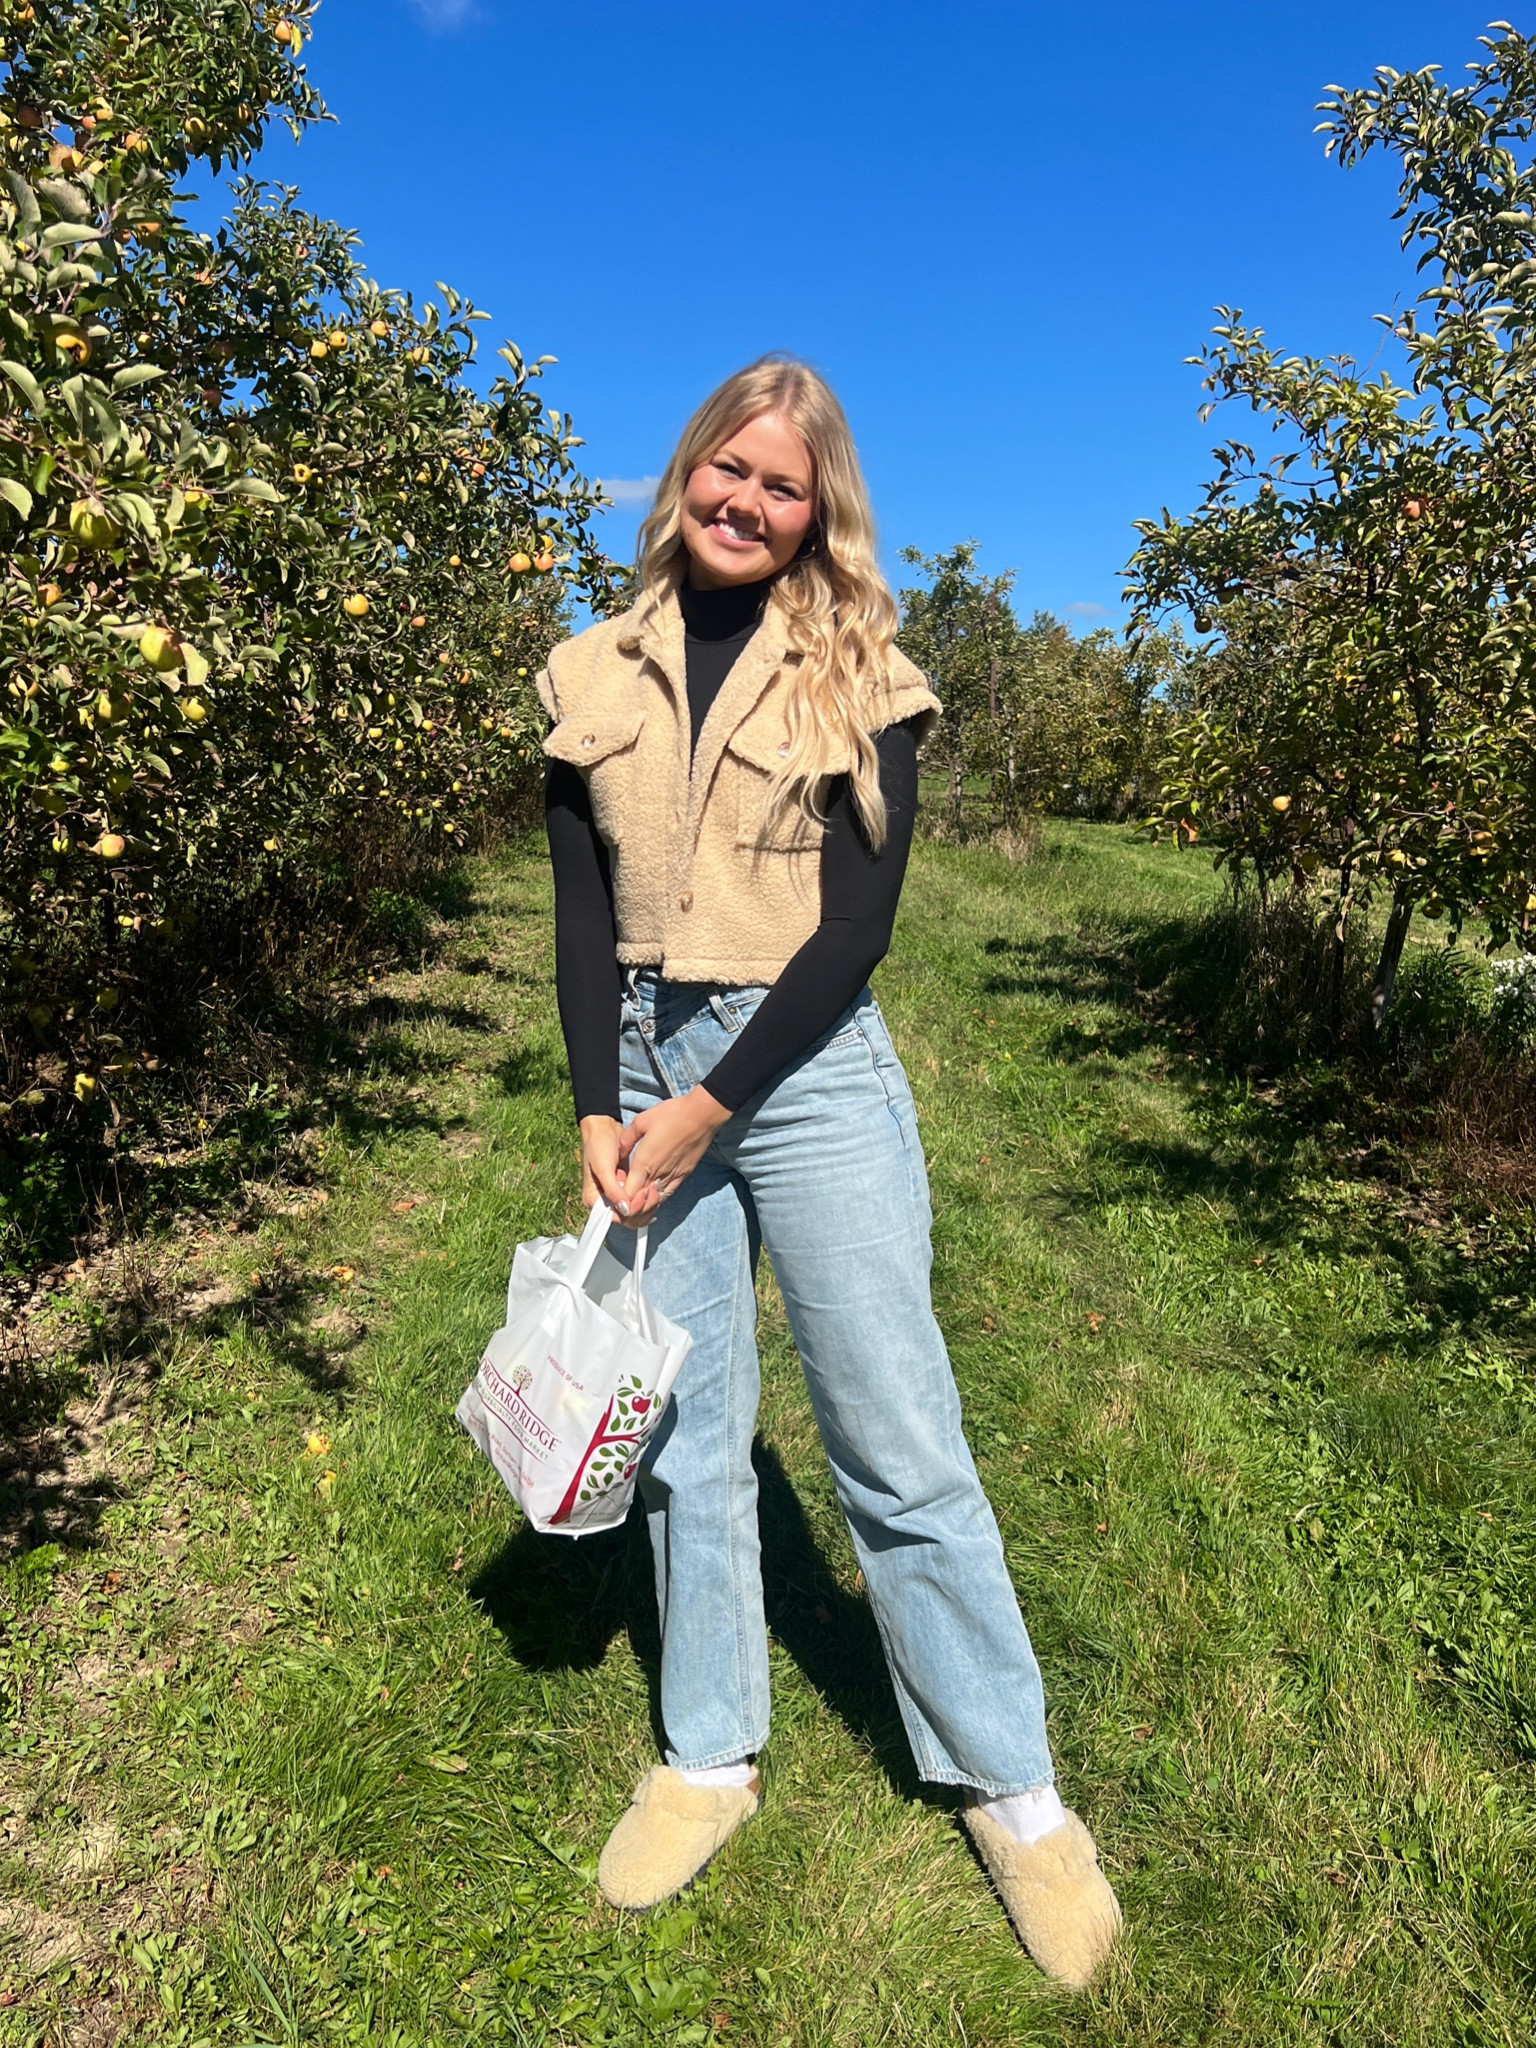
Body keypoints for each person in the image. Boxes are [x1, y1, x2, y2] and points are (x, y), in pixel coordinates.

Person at [538, 356, 1121, 1988]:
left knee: (894, 1432)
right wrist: (604, 1102)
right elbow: (585, 913)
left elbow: (858, 928)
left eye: (782, 487)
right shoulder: (589, 666)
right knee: (685, 1425)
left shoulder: (860, 668)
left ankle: (1013, 1788)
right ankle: (708, 1754)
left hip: (799, 1076)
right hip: (653, 1061)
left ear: (817, 512)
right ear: (686, 474)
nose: (746, 502)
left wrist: (711, 1104)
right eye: (728, 471)